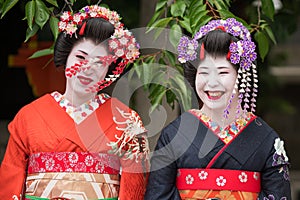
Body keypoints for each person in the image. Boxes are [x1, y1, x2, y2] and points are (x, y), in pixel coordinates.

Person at [0, 4, 149, 200]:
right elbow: (10, 181)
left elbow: (134, 188)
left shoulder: (127, 122)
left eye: (100, 63)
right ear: (66, 57)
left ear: (109, 71)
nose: (88, 68)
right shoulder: (29, 117)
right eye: (81, 57)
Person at [144, 18, 291, 199]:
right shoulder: (174, 134)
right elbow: (158, 195)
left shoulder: (267, 140)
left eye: (223, 72)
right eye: (204, 72)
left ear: (241, 75)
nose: (212, 83)